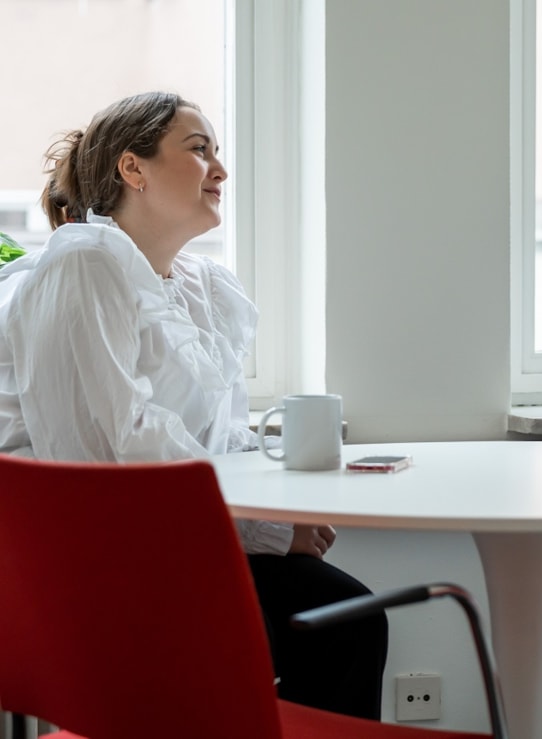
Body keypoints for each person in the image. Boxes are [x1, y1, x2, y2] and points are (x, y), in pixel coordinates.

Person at [0, 91, 388, 720]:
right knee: (331, 627)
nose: (220, 170)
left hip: (179, 546)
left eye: (218, 151)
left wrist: (280, 518)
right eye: (198, 149)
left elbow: (221, 436)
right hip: (101, 566)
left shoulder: (204, 287)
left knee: (348, 618)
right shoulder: (84, 264)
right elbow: (107, 451)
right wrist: (267, 531)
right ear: (134, 169)